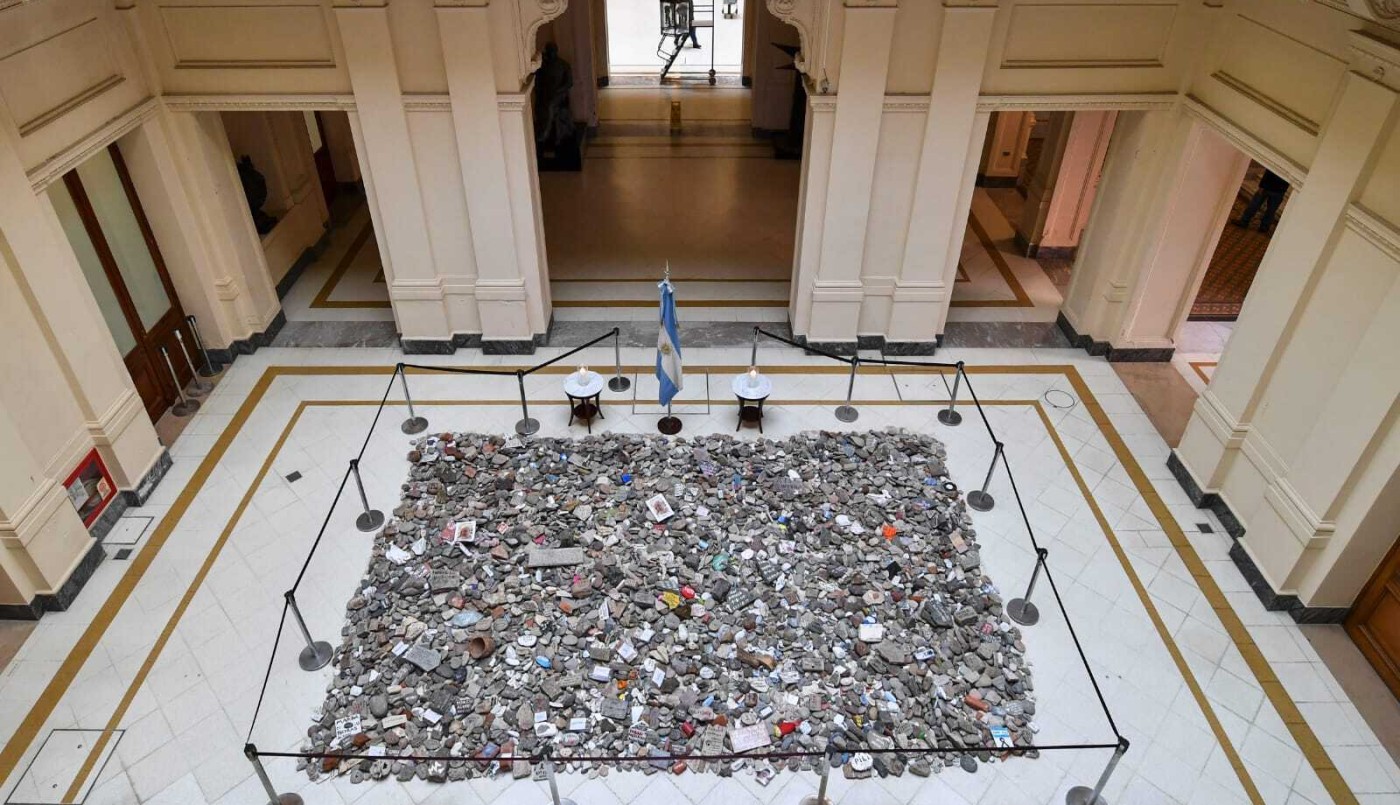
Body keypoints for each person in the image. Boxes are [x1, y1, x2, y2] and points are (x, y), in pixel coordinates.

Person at [1235, 169, 1288, 233]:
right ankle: (1263, 226)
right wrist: (1262, 186)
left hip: (1274, 189)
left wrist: (1262, 186)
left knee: (1263, 208)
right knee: (1260, 207)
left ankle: (1246, 221)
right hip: (1274, 189)